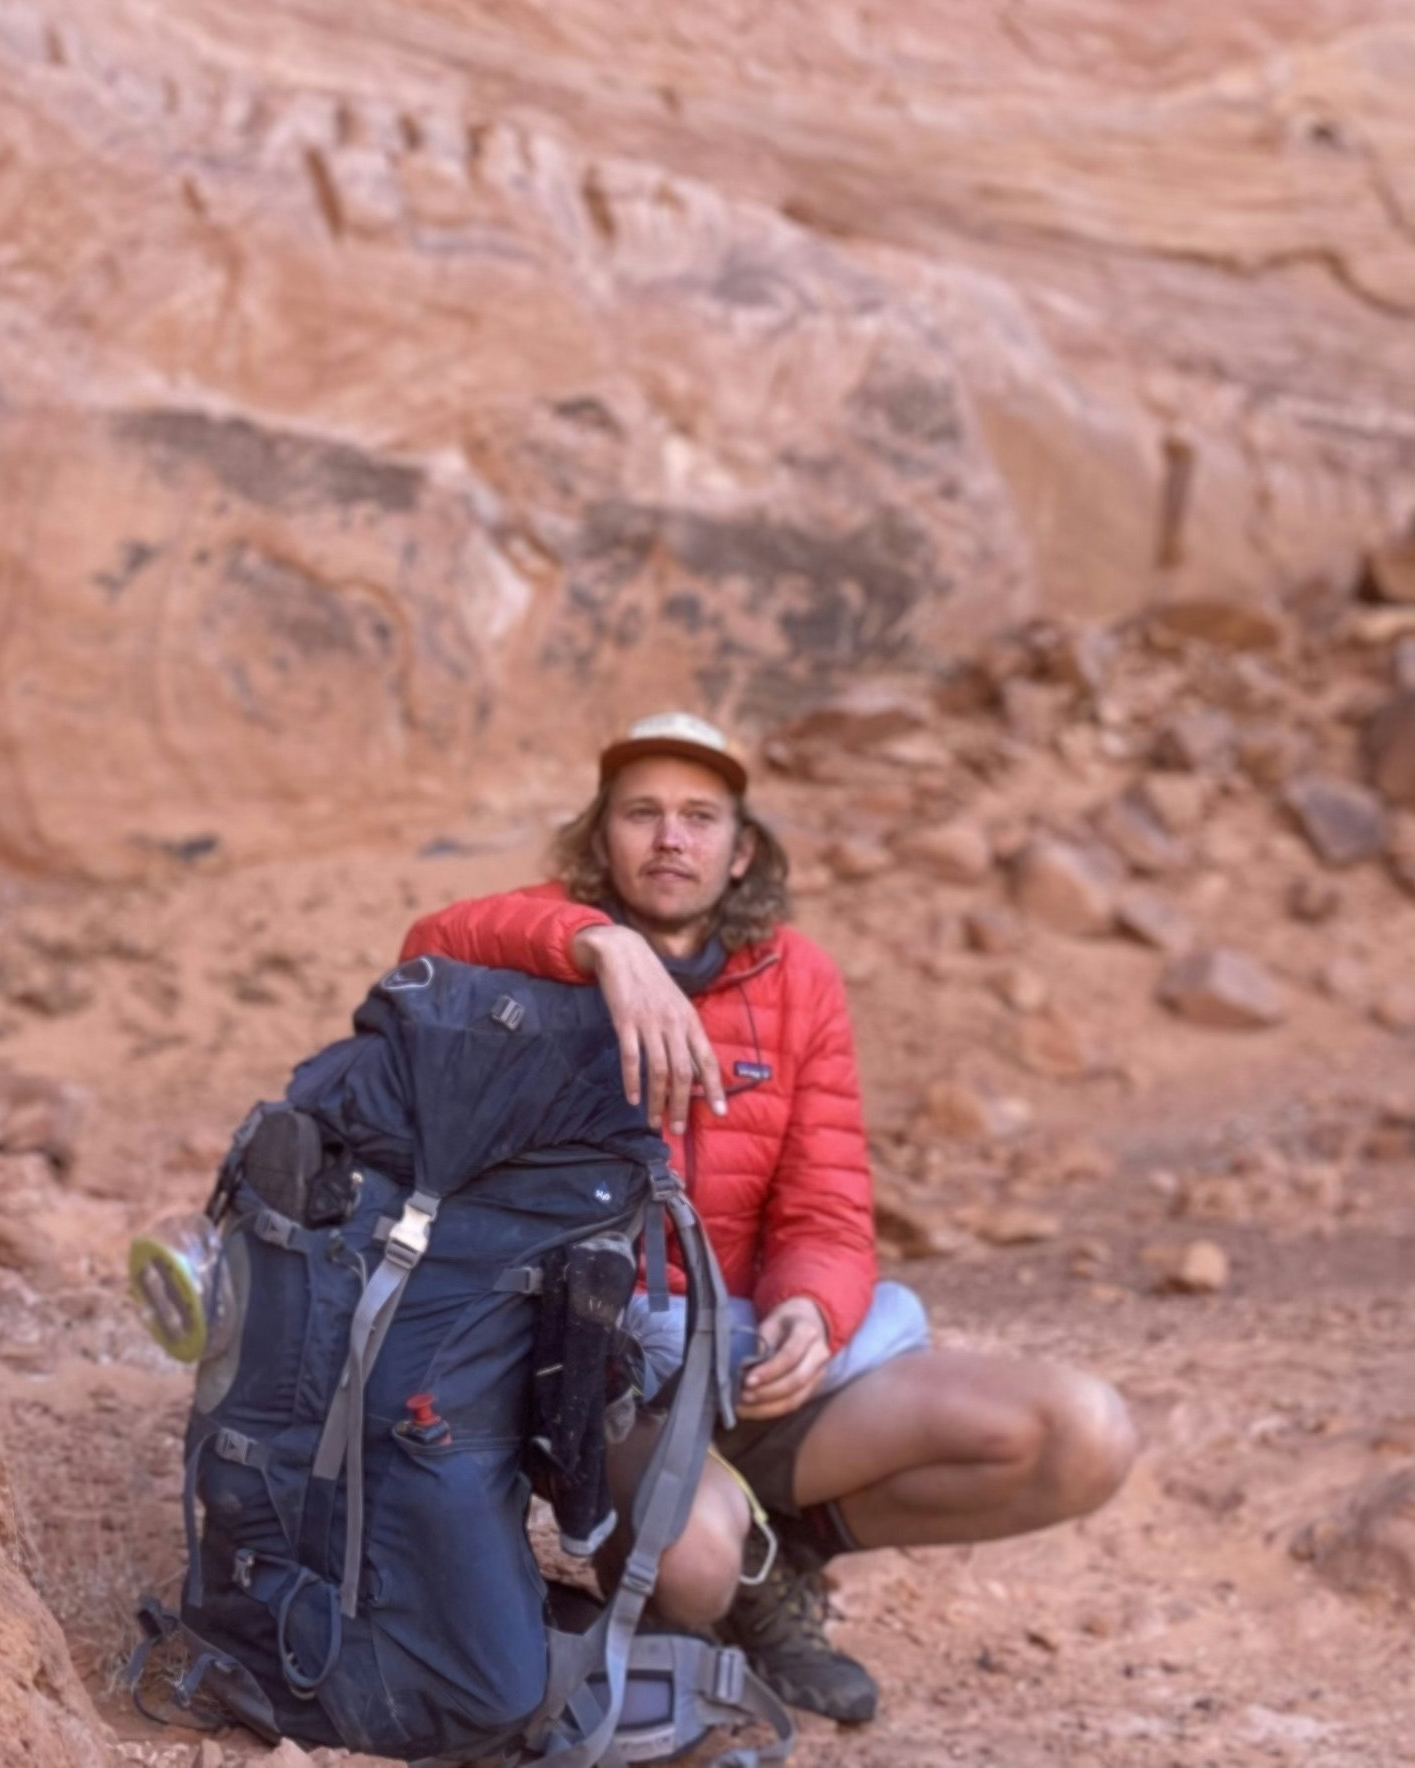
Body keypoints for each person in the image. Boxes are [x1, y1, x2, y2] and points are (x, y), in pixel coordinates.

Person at [397, 712, 1138, 1723]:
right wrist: (600, 946)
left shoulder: (798, 979)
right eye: (642, 813)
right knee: (691, 1565)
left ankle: (781, 1556)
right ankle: (721, 1576)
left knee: (1079, 1433)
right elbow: (428, 946)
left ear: (741, 850)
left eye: (701, 817)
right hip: (613, 1375)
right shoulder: (545, 950)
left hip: (749, 1363)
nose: (671, 838)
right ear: (601, 835)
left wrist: (812, 1313)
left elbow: (829, 1210)